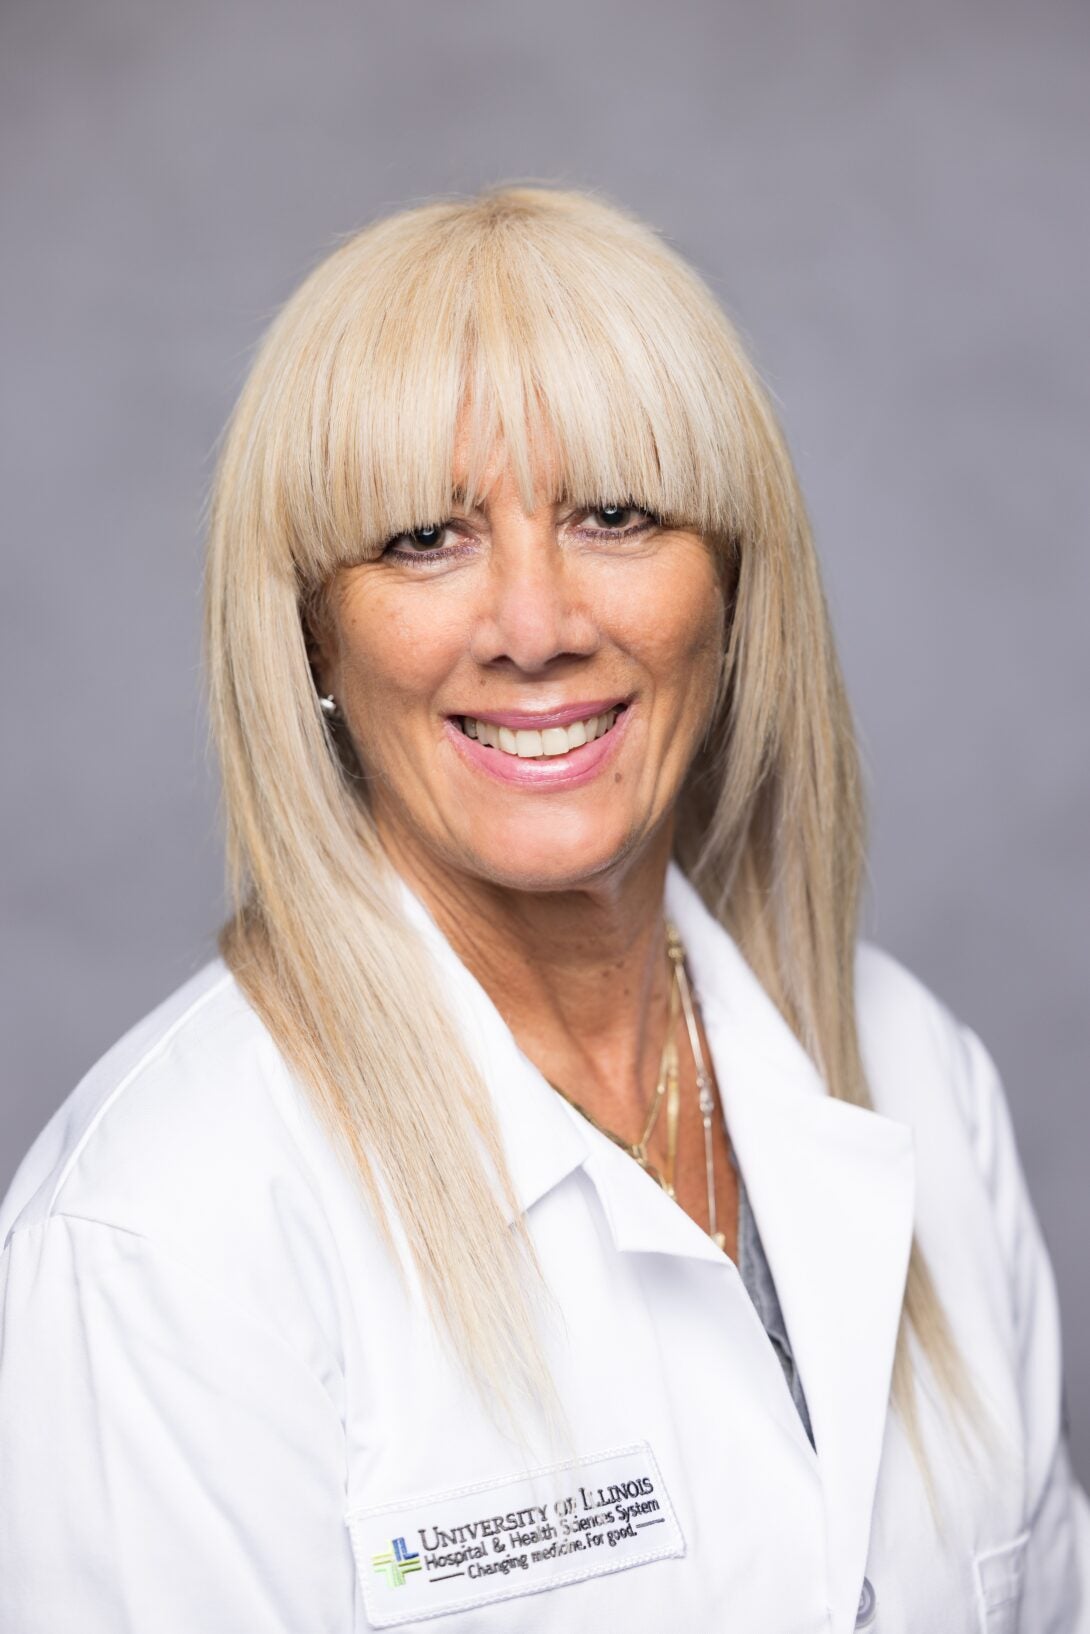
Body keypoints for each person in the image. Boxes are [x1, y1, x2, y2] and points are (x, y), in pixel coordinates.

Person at [0, 184, 1086, 1634]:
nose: (534, 624)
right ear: (312, 633)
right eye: (422, 539)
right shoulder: (160, 1231)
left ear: (732, 588)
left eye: (616, 514)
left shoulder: (922, 1076)